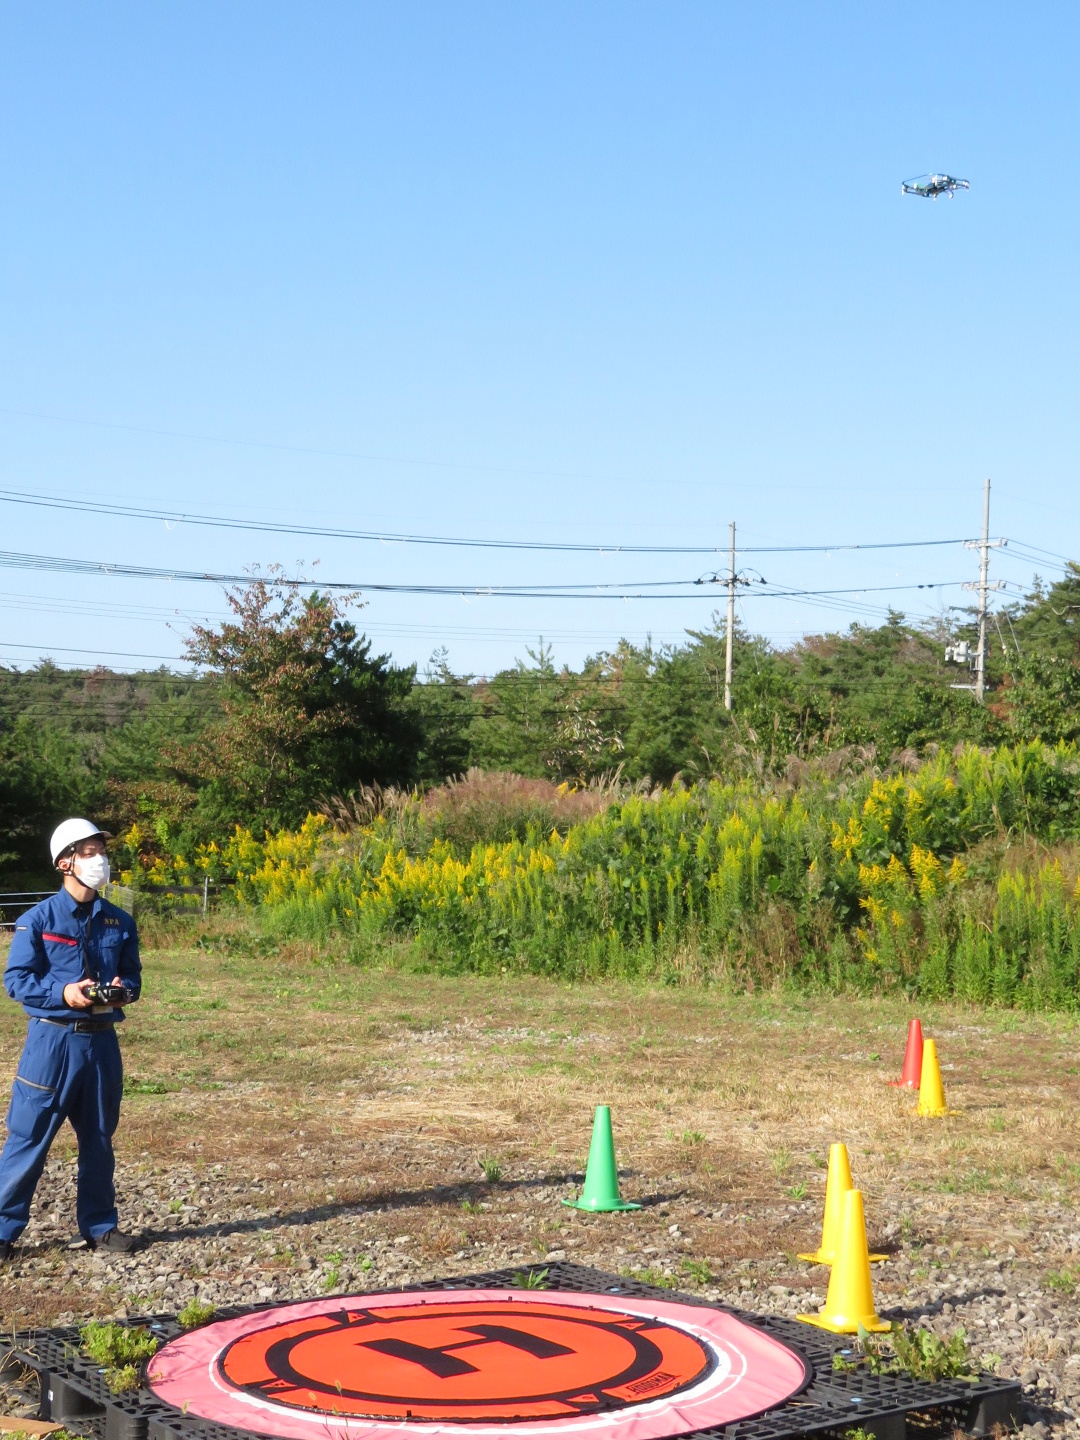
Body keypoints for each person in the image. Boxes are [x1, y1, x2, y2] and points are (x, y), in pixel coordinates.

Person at [0, 818, 142, 1261]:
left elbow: (134, 976)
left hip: (102, 1045)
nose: (100, 859)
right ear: (65, 862)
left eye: (101, 850)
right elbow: (15, 980)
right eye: (89, 852)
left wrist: (123, 988)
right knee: (28, 1137)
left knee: (99, 1138)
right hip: (52, 1044)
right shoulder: (36, 920)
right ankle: (3, 1231)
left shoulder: (120, 920)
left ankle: (100, 1227)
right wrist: (62, 993)